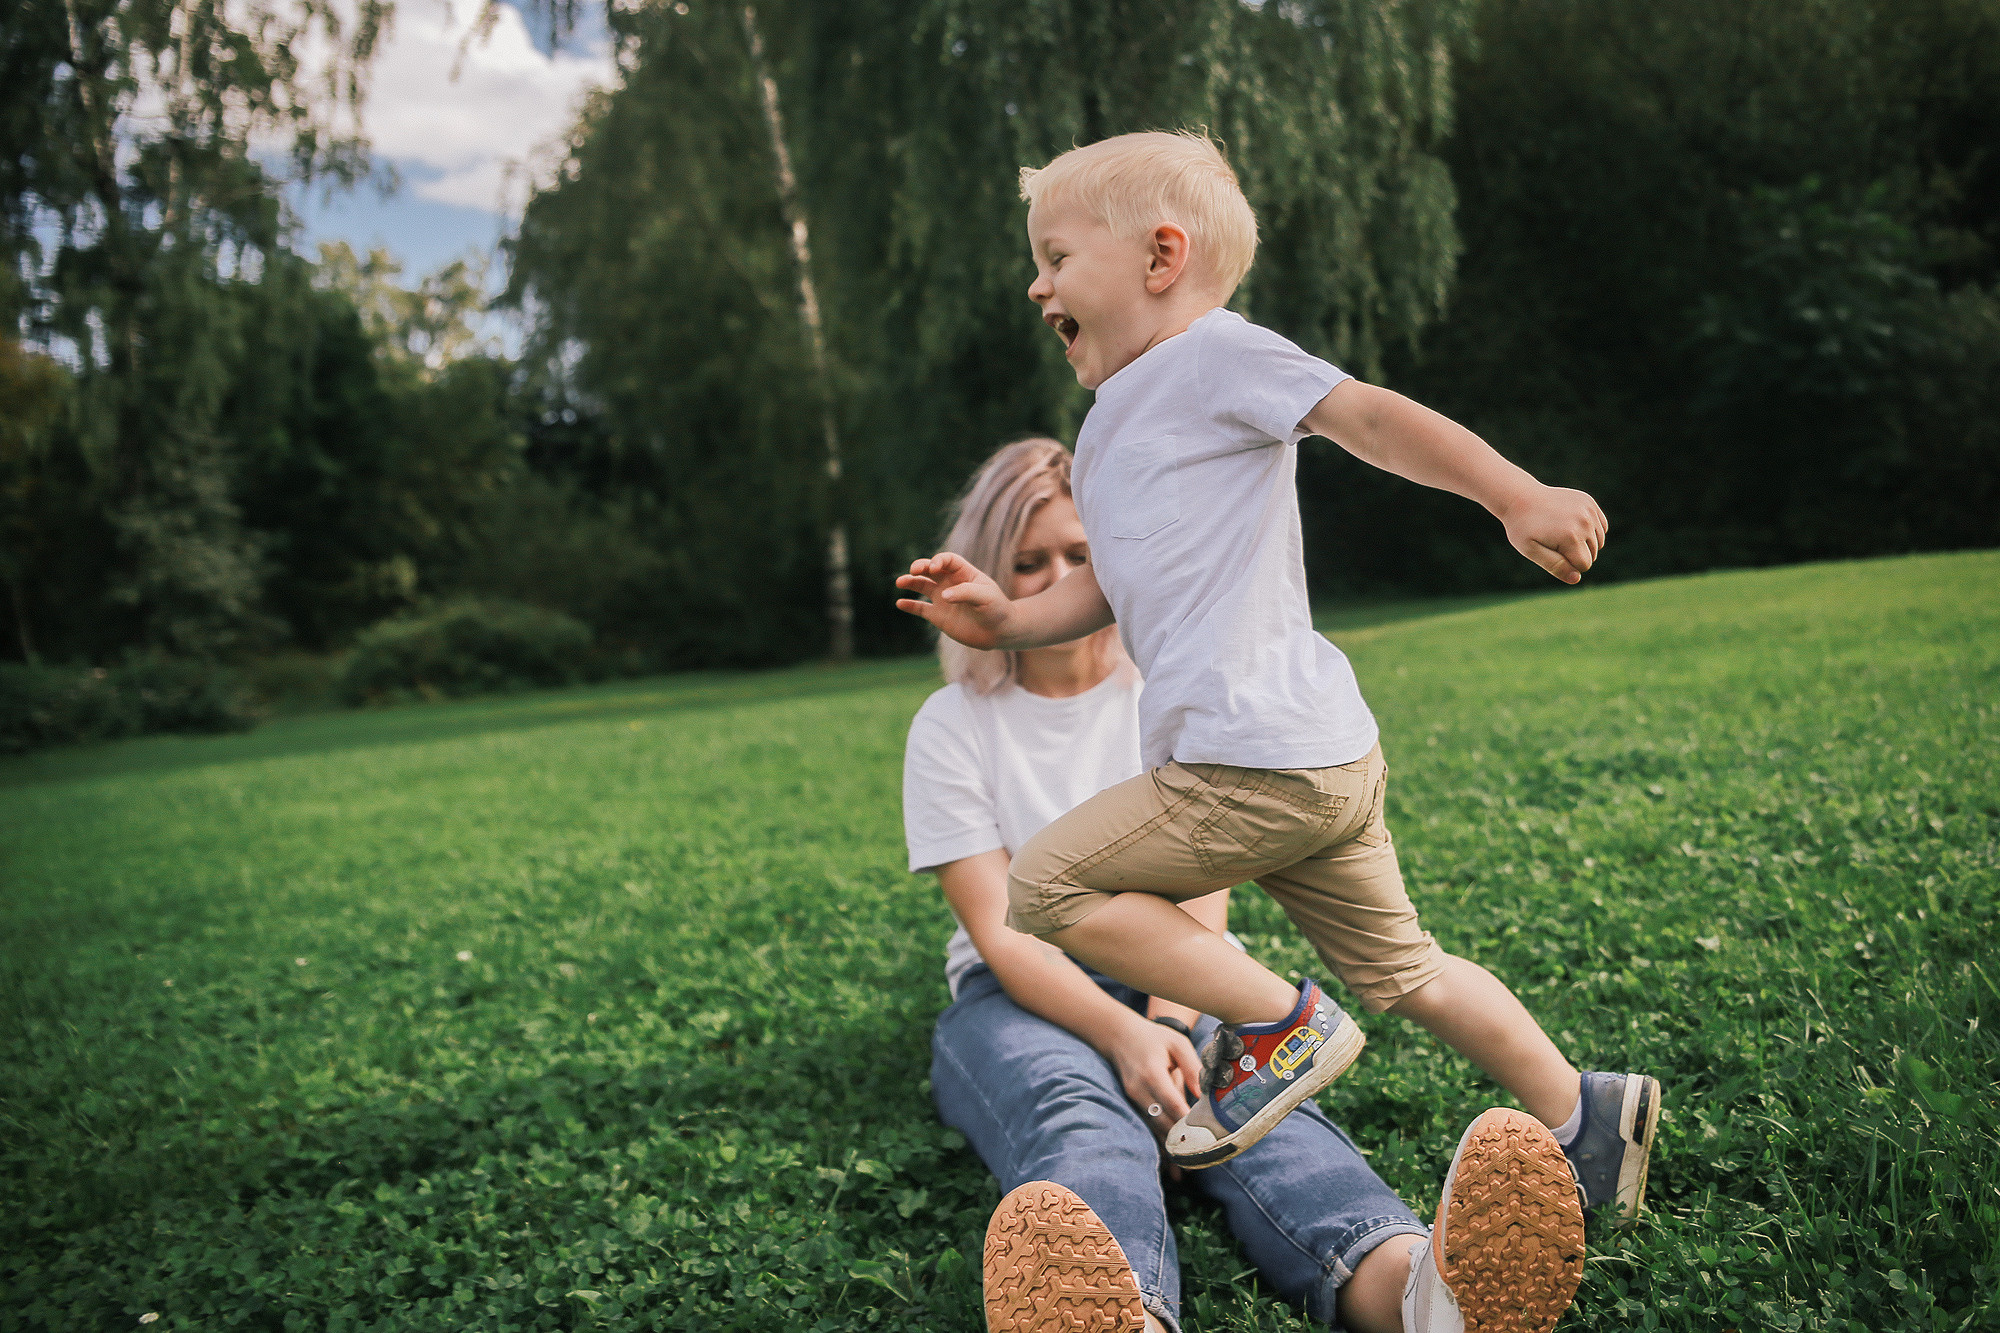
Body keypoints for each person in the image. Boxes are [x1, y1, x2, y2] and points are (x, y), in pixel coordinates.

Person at [894, 130, 1661, 1303]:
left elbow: (1365, 416)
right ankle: (1586, 1112)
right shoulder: (1110, 429)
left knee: (1048, 885)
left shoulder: (1211, 358)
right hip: (1320, 761)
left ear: (1161, 255)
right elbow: (1108, 586)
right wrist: (1002, 620)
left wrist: (1513, 493)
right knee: (1408, 972)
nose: (1035, 285)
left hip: (1249, 760)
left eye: (1054, 255)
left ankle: (1280, 1019)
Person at [908, 439, 1584, 1333]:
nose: (1054, 577)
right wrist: (1119, 1031)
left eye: (1080, 555)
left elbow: (1203, 870)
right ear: (988, 576)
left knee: (1266, 1114)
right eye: (1027, 562)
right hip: (1018, 995)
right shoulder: (953, 724)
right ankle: (1121, 1318)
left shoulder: (1172, 686)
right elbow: (1002, 928)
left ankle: (1421, 1293)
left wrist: (1169, 1017)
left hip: (1181, 969)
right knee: (1077, 1115)